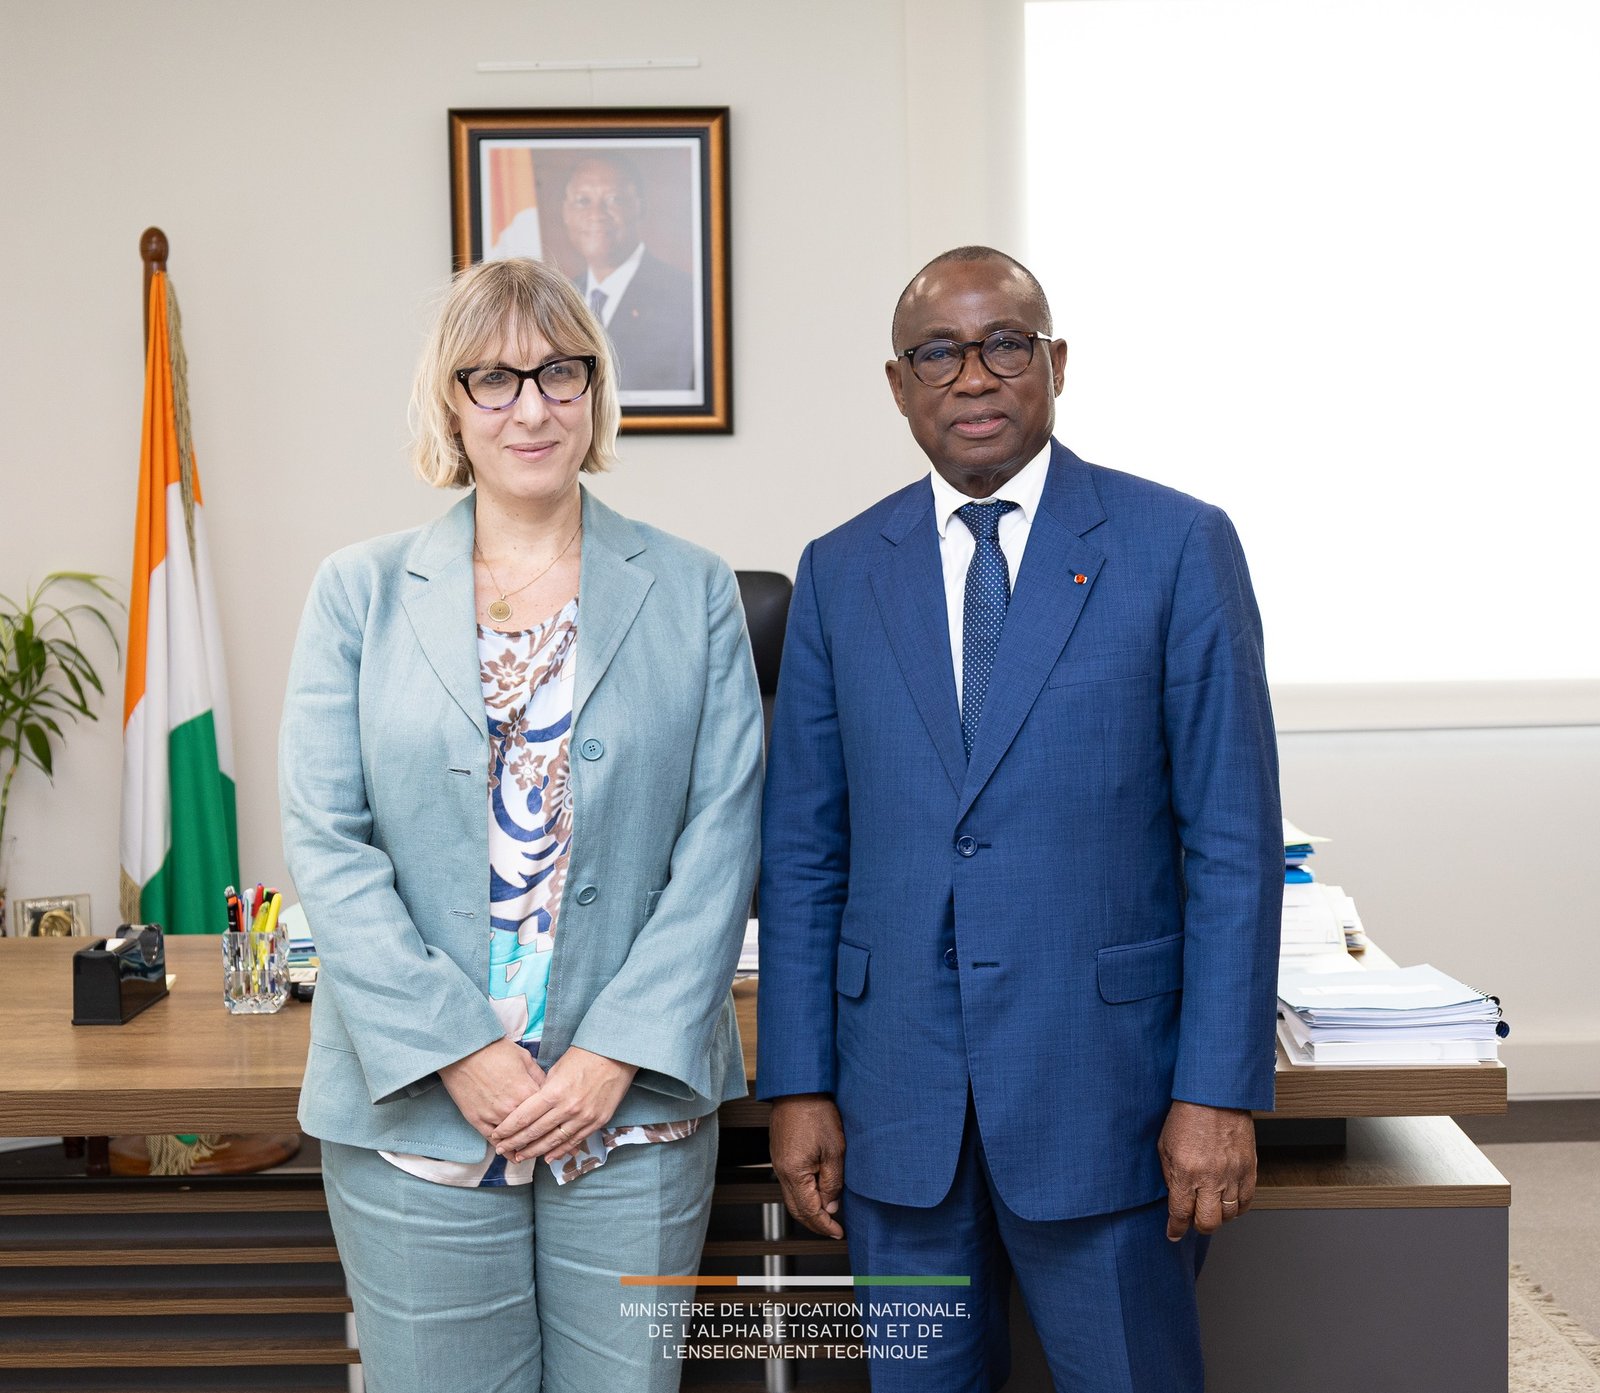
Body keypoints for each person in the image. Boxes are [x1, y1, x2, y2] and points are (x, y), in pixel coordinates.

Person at [756, 246, 1281, 1392]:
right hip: (897, 1107)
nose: (973, 375)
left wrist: (1216, 1091)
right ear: (898, 384)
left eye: (1004, 343)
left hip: (1110, 1099)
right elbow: (801, 854)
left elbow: (1232, 847)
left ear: (1055, 362)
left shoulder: (1174, 545)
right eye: (936, 352)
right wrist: (797, 1084)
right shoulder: (839, 571)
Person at [279, 256, 762, 1392]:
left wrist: (608, 1053)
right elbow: (327, 842)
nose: (531, 407)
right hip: (417, 1107)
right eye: (492, 378)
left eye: (559, 372)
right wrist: (460, 1049)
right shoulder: (358, 590)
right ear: (449, 403)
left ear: (594, 391)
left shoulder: (694, 589)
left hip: (630, 1108)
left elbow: (723, 837)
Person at [561, 155, 696, 392]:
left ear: (639, 207)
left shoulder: (686, 296)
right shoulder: (559, 300)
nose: (596, 214)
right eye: (583, 201)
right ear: (566, 212)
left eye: (614, 199)